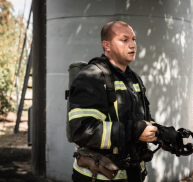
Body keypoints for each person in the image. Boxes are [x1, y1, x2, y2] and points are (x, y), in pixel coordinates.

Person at [69, 21, 158, 182]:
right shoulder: (91, 77)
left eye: (134, 39)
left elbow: (142, 120)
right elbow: (83, 130)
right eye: (125, 40)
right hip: (98, 177)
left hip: (134, 174)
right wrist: (134, 131)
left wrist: (163, 133)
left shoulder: (134, 79)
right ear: (107, 45)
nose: (132, 45)